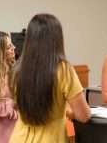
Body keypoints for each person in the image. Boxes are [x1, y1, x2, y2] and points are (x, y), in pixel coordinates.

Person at [8, 13, 91, 143]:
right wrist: (69, 113)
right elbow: (84, 116)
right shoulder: (63, 69)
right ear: (57, 38)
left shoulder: (16, 70)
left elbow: (22, 107)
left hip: (19, 138)